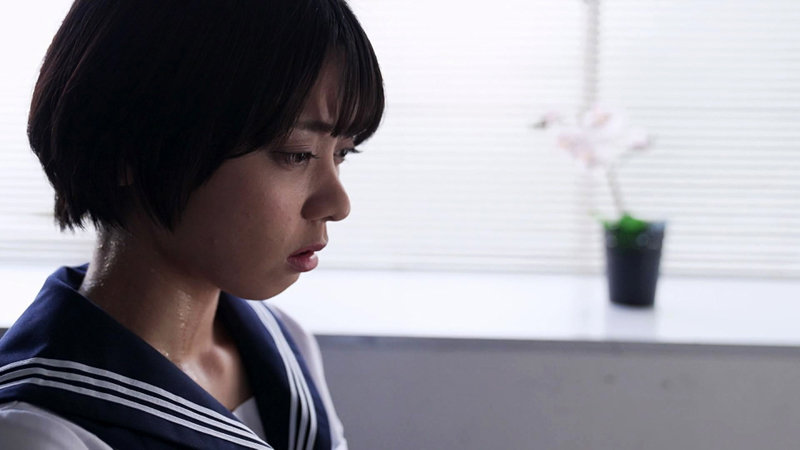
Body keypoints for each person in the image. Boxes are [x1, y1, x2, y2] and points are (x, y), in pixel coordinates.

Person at [0, 0, 383, 448]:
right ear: (130, 149)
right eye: (296, 154)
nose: (338, 204)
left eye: (342, 153)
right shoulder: (37, 431)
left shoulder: (286, 346)